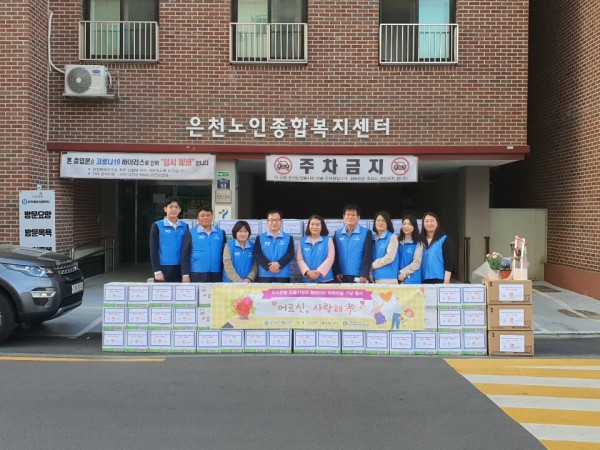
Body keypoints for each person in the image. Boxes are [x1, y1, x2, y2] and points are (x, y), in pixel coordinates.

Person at [181, 208, 227, 282]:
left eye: (208, 215)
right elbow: (185, 255)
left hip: (217, 272)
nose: (205, 218)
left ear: (212, 217)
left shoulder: (221, 233)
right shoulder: (190, 233)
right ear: (198, 218)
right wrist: (185, 274)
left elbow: (225, 254)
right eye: (202, 216)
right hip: (196, 273)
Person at [149, 196, 189, 282]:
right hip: (163, 267)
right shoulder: (157, 226)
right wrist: (157, 271)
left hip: (181, 268)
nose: (174, 209)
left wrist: (186, 272)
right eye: (171, 207)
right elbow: (153, 250)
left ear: (180, 210)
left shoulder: (185, 226)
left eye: (176, 207)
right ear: (165, 209)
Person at [332, 204, 373, 283]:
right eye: (348, 214)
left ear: (358, 217)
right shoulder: (337, 233)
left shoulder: (366, 233)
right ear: (343, 216)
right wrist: (336, 271)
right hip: (341, 276)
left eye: (353, 215)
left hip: (358, 275)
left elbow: (367, 255)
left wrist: (364, 273)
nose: (350, 217)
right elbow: (335, 255)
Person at [254, 209, 295, 283]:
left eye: (277, 220)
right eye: (271, 220)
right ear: (267, 222)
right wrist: (269, 266)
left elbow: (290, 254)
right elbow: (257, 254)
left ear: (281, 222)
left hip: (283, 275)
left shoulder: (289, 238)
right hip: (264, 275)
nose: (274, 222)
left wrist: (279, 264)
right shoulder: (260, 238)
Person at [296, 214, 335, 283]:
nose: (314, 227)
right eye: (312, 224)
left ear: (322, 226)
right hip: (308, 279)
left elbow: (330, 258)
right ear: (309, 226)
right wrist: (308, 272)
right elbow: (300, 259)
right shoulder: (302, 241)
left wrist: (319, 272)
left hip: (325, 279)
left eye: (317, 224)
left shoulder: (328, 240)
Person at [419, 212, 455, 284]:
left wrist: (446, 280)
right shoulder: (419, 240)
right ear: (423, 224)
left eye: (432, 221)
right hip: (422, 278)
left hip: (439, 278)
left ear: (437, 223)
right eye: (426, 221)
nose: (429, 223)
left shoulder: (444, 239)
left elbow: (449, 260)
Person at [370, 211, 399, 284]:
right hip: (373, 278)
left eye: (384, 221)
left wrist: (372, 265)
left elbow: (389, 257)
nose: (380, 223)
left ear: (388, 223)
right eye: (378, 220)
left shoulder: (392, 237)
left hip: (387, 278)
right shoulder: (373, 238)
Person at [397, 215, 423, 284]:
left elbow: (417, 263)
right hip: (397, 279)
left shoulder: (418, 243)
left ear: (414, 227)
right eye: (404, 224)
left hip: (412, 280)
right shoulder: (397, 241)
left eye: (409, 224)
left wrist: (403, 273)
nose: (406, 226)